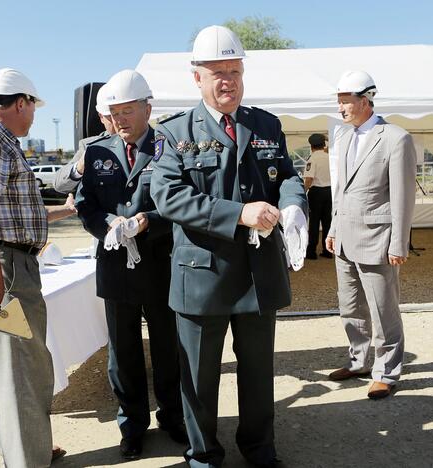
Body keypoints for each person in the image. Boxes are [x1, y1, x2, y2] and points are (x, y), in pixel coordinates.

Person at [150, 25, 307, 468]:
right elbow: (169, 197)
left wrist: (294, 207)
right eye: (217, 71)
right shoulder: (174, 132)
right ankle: (203, 455)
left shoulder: (265, 124)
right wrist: (239, 214)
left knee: (257, 374)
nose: (228, 80)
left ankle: (259, 450)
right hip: (203, 275)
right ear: (195, 76)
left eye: (234, 70)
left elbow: (288, 176)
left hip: (258, 274)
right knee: (199, 378)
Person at [0, 68, 77, 467]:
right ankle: (29, 460)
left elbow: (17, 213)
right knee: (19, 368)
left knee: (18, 365)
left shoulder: (0, 141)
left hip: (10, 263)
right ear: (20, 103)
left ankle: (29, 449)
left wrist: (67, 210)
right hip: (4, 268)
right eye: (33, 108)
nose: (34, 116)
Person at [75, 69, 186, 460]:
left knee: (168, 348)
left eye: (127, 110)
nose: (120, 119)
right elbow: (85, 204)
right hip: (115, 267)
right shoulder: (96, 151)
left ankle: (174, 418)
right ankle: (132, 425)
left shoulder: (168, 146)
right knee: (123, 354)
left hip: (160, 264)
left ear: (147, 108)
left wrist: (147, 222)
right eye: (114, 112)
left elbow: (180, 201)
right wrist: (107, 224)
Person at [325, 70, 417, 400]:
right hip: (345, 239)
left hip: (378, 240)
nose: (340, 109)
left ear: (365, 101)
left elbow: (403, 196)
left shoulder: (395, 138)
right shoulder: (345, 137)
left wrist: (399, 242)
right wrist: (333, 228)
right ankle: (359, 360)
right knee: (349, 307)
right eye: (338, 103)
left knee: (382, 310)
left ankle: (387, 371)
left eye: (345, 102)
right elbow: (343, 190)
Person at [54, 84, 115, 194]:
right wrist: (78, 168)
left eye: (124, 112)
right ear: (101, 117)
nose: (117, 121)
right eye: (111, 116)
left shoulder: (150, 142)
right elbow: (59, 185)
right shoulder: (90, 145)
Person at [303, 133, 333, 259]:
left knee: (314, 222)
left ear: (311, 146)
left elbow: (309, 179)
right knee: (327, 222)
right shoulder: (330, 157)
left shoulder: (312, 159)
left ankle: (311, 251)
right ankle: (328, 250)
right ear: (323, 144)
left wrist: (303, 192)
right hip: (329, 191)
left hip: (316, 192)